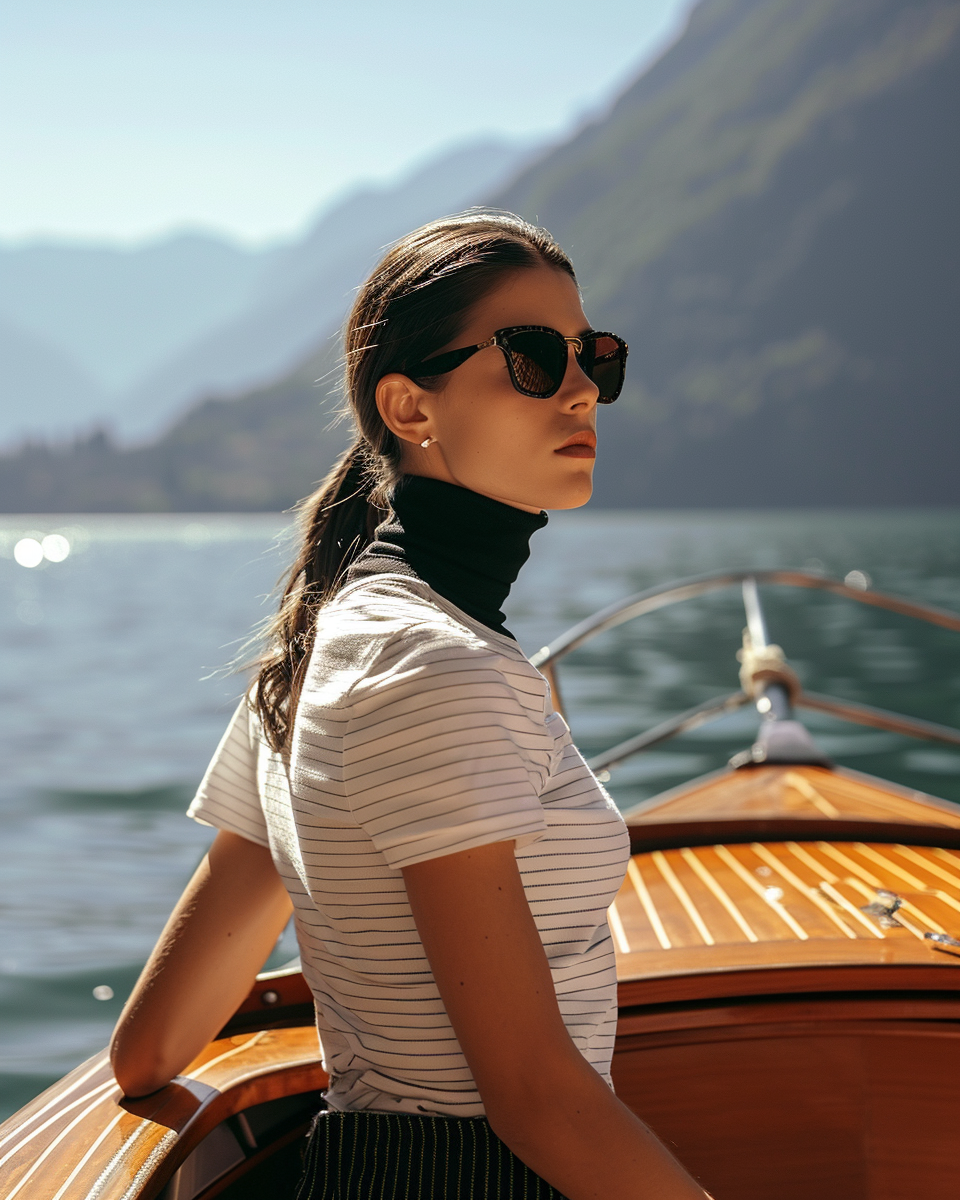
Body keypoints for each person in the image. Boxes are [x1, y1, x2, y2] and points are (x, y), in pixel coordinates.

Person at [110, 212, 711, 1200]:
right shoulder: (433, 669)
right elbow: (533, 1097)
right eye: (532, 356)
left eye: (595, 356)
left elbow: (151, 1047)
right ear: (410, 407)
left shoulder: (317, 643)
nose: (582, 388)